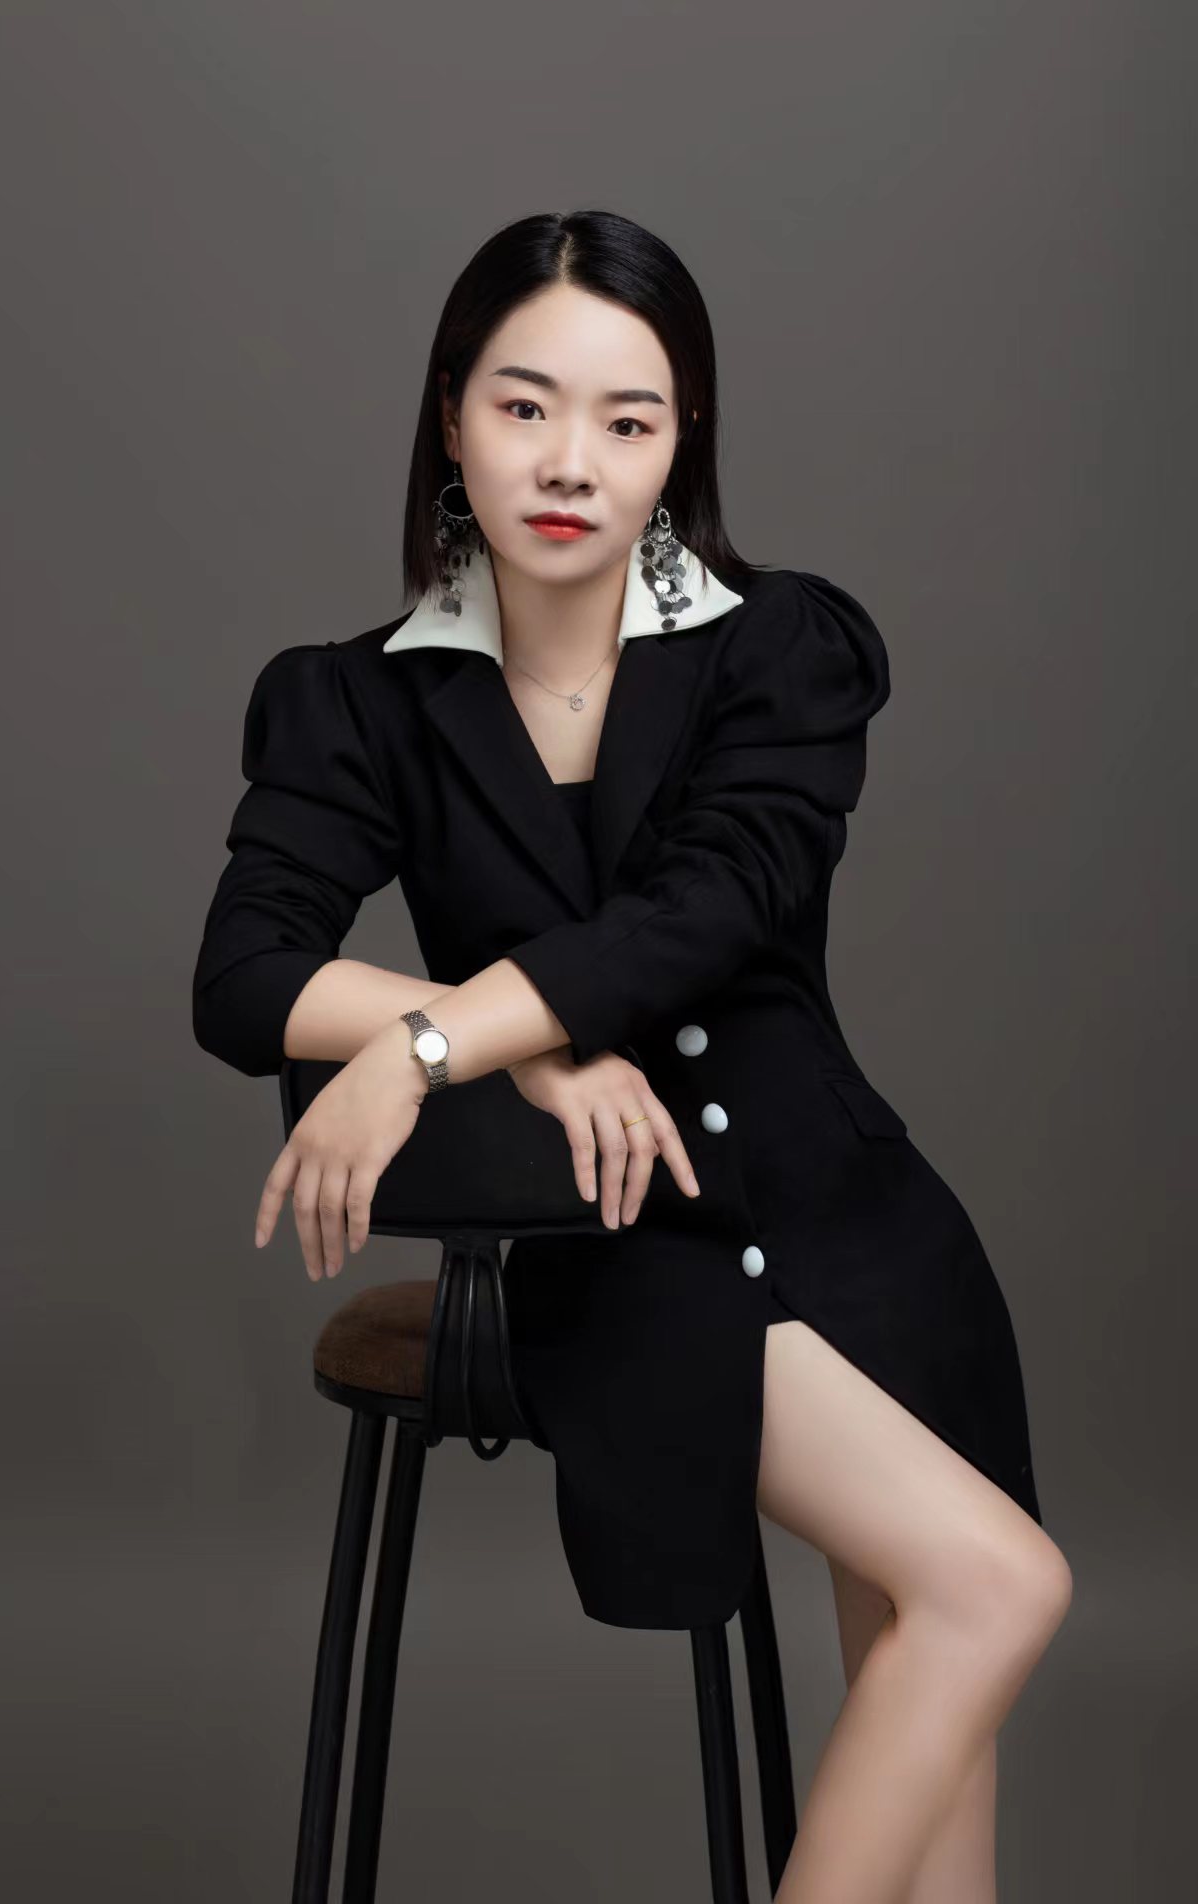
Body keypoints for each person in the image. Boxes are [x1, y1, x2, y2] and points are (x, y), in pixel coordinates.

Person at [192, 209, 1072, 1902]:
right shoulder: (359, 699)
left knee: (945, 1753)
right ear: (452, 416)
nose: (570, 462)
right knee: (996, 1589)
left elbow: (702, 913)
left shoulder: (781, 647)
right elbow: (244, 979)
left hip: (861, 1223)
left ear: (683, 442)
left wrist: (435, 1037)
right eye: (524, 407)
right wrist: (506, 1059)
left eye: (628, 418)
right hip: (628, 1248)